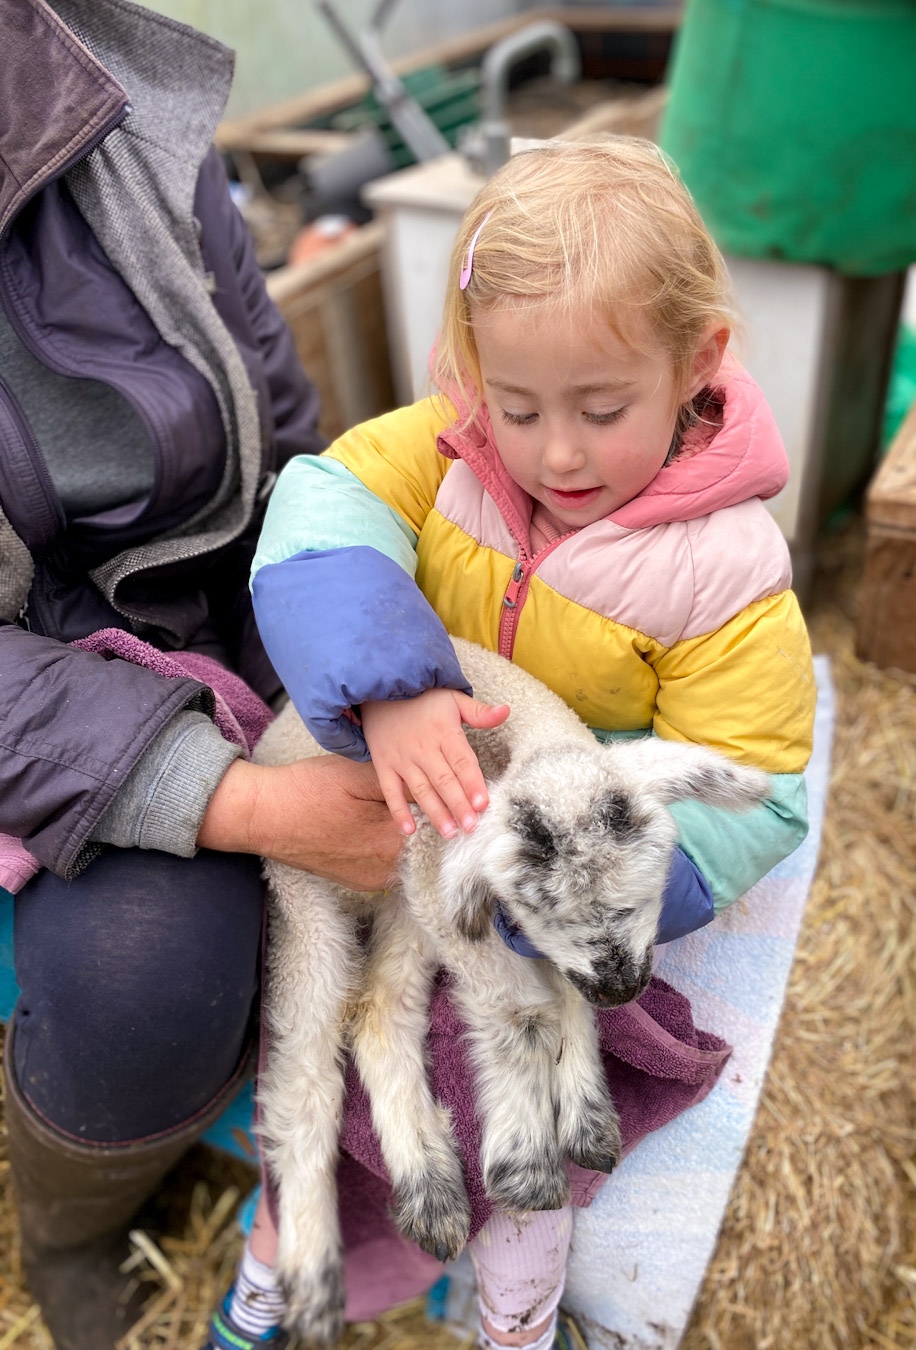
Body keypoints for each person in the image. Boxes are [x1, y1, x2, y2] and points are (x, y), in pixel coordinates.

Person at [213, 137, 817, 1350]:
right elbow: (318, 509)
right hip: (407, 812)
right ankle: (275, 1280)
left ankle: (517, 1315)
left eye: (603, 410)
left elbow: (760, 786)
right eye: (519, 404)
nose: (553, 454)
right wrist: (387, 684)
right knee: (325, 1043)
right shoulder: (441, 450)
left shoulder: (725, 569)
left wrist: (581, 878)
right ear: (472, 368)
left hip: (542, 864)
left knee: (516, 1097)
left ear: (697, 366)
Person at [0, 3, 405, 1348]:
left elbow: (282, 430)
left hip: (193, 604)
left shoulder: (113, 99)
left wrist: (347, 641)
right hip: (30, 676)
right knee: (151, 965)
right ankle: (70, 1225)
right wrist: (236, 801)